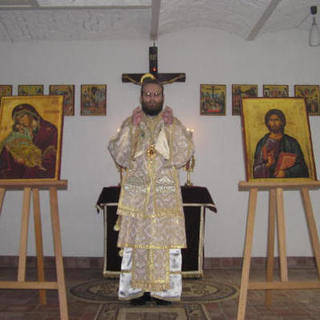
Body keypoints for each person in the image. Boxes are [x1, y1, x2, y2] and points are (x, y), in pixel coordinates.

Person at [108, 75, 194, 305]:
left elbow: (184, 154)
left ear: (163, 97)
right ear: (141, 96)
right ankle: (136, 290)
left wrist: (171, 128)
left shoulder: (172, 123)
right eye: (148, 94)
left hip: (164, 187)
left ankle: (164, 292)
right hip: (137, 188)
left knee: (164, 242)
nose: (152, 98)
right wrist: (132, 128)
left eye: (156, 94)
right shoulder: (131, 122)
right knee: (137, 240)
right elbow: (119, 153)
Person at [0, 103, 58, 179]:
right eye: (17, 120)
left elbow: (52, 154)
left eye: (22, 116)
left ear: (32, 115)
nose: (20, 121)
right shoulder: (21, 131)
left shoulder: (49, 130)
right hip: (22, 168)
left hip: (40, 169)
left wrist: (29, 162)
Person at [253, 109, 309, 178]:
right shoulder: (262, 143)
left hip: (288, 183)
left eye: (276, 120)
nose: (274, 123)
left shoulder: (292, 142)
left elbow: (302, 167)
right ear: (267, 123)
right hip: (268, 182)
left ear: (282, 122)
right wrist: (267, 165)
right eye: (271, 120)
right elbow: (255, 170)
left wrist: (286, 173)